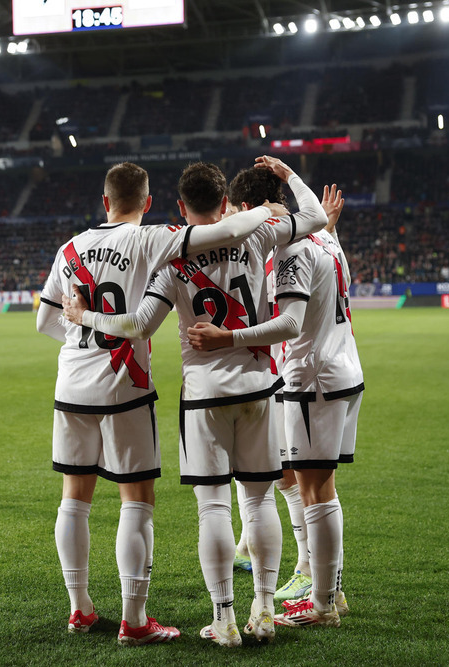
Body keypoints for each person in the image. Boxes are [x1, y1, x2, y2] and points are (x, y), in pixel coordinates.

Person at [60, 158, 327, 646]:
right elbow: (315, 217)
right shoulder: (260, 234)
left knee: (213, 509)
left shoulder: (172, 259)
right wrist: (286, 180)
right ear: (226, 202)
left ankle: (223, 618)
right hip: (259, 384)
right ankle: (264, 610)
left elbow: (137, 325)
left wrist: (85, 316)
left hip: (204, 395)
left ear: (180, 207)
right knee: (260, 498)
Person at [187, 172, 363, 629]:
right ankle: (329, 588)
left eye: (237, 212)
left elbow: (289, 323)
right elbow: (320, 225)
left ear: (253, 207)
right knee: (306, 484)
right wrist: (292, 179)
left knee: (316, 492)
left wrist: (228, 337)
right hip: (340, 371)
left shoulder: (293, 248)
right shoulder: (324, 236)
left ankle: (323, 603)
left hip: (313, 379)